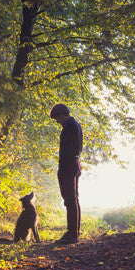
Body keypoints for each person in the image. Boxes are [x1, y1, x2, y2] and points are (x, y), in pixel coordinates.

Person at [50, 103, 83, 244]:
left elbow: (66, 151)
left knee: (70, 200)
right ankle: (74, 232)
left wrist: (62, 168)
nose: (57, 121)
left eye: (57, 118)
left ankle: (71, 235)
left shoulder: (69, 126)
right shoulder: (75, 125)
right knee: (74, 199)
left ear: (62, 114)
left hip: (68, 166)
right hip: (75, 163)